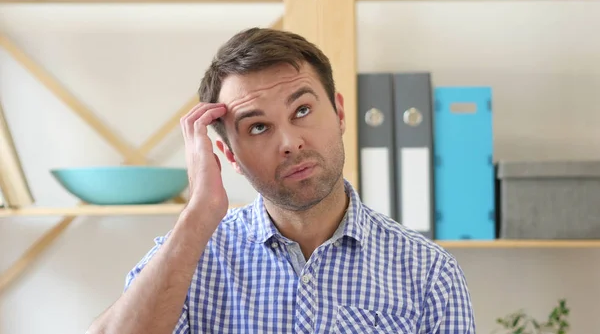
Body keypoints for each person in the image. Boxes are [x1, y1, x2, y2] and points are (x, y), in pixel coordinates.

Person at [87, 27, 475, 334]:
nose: (290, 143)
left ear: (339, 113)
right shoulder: (190, 260)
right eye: (258, 128)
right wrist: (199, 213)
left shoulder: (428, 273)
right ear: (230, 156)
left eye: (302, 109)